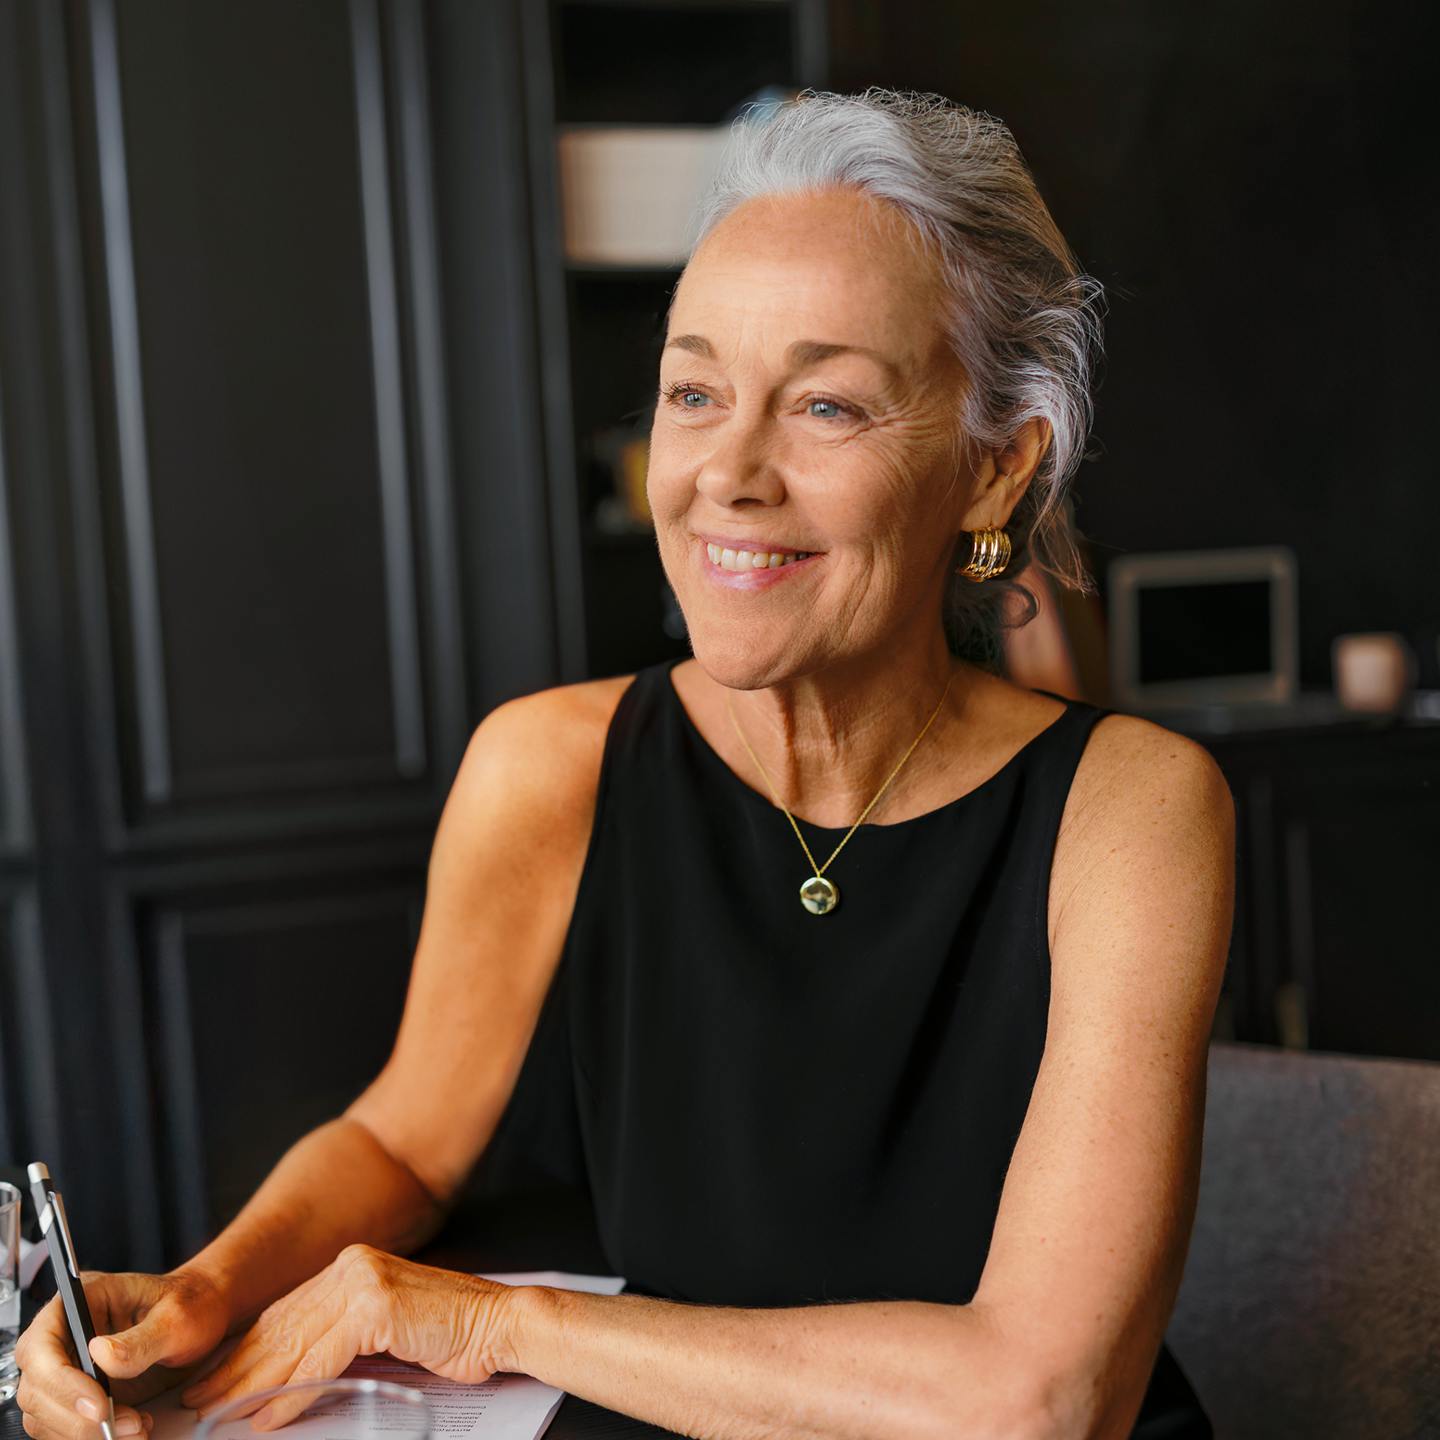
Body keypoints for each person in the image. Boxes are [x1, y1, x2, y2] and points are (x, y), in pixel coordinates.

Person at [14, 88, 1233, 1440]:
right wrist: (204, 1291)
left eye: (826, 404)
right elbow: (403, 1143)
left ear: (997, 470)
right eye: (694, 392)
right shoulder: (548, 769)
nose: (728, 473)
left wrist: (488, 1320)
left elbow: (1043, 1400)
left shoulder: (1131, 812)